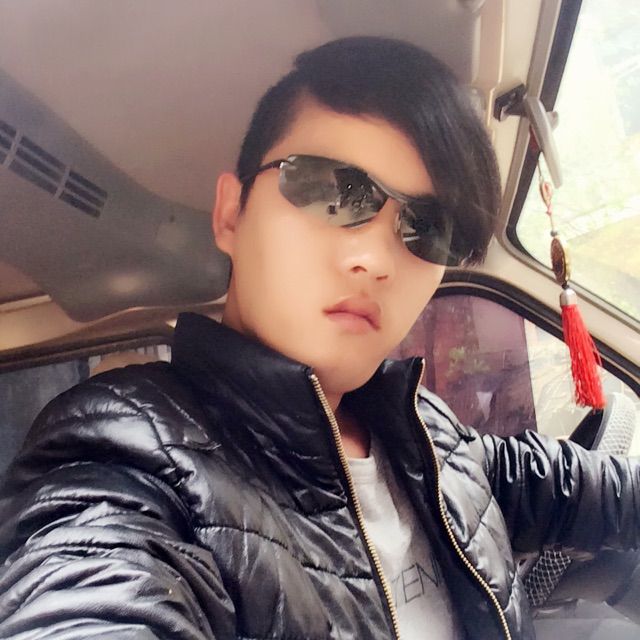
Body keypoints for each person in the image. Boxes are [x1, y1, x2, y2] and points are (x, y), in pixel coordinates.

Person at [0, 37, 638, 640]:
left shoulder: (430, 438)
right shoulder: (122, 455)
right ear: (231, 214)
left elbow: (584, 489)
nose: (376, 259)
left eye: (426, 228)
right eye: (333, 190)